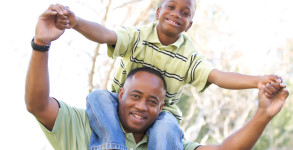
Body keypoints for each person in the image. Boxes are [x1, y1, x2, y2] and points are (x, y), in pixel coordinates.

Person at [26, 5, 289, 150]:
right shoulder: (138, 36)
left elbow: (218, 76)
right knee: (97, 97)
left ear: (190, 24)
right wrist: (70, 26)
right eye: (136, 96)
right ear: (158, 12)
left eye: (185, 13)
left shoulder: (168, 137)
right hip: (108, 112)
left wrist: (260, 95)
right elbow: (106, 35)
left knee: (166, 126)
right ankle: (111, 144)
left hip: (165, 123)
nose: (176, 14)